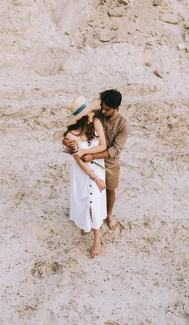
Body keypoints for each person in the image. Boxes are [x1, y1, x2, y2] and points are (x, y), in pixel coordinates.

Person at [64, 89, 129, 231]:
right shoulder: (94, 115)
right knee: (89, 190)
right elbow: (76, 130)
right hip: (90, 160)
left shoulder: (123, 124)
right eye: (102, 108)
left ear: (117, 108)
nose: (103, 111)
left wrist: (92, 156)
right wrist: (66, 141)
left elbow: (114, 150)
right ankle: (89, 218)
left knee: (110, 189)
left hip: (110, 161)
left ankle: (109, 214)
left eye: (107, 109)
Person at [64, 96, 108, 257]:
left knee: (94, 203)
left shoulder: (96, 123)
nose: (92, 114)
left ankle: (97, 236)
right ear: (82, 117)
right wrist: (95, 178)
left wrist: (85, 152)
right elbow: (78, 160)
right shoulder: (71, 135)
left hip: (98, 166)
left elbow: (103, 146)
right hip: (82, 173)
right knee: (84, 201)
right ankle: (86, 223)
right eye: (89, 113)